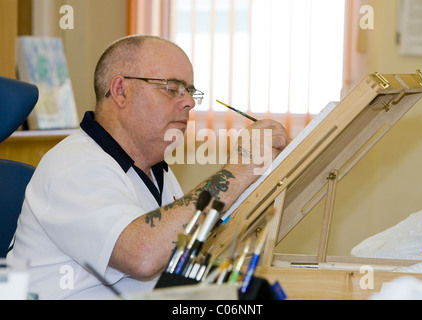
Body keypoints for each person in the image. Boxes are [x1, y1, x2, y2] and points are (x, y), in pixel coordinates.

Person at [7, 35, 289, 299]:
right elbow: (142, 255)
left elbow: (182, 260)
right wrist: (239, 170)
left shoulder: (156, 170)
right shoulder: (73, 165)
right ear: (120, 91)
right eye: (172, 89)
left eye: (190, 91)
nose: (189, 101)